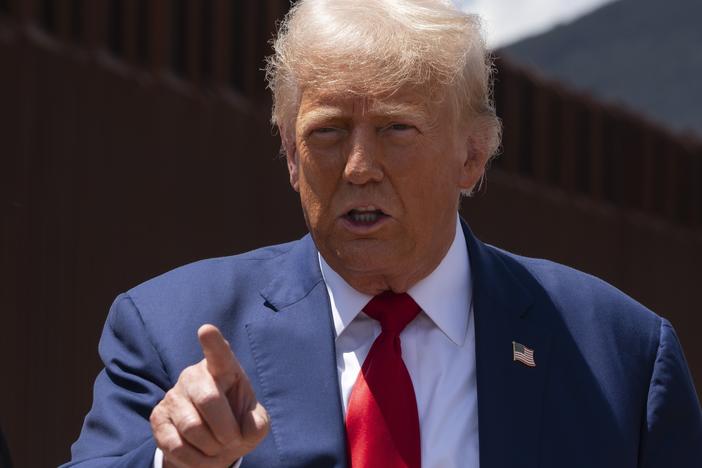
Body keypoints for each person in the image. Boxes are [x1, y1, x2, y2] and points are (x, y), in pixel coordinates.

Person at [64, 0, 702, 467]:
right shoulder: (168, 328)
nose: (359, 168)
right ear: (289, 155)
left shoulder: (620, 355)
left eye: (398, 129)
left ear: (473, 155)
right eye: (327, 133)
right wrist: (179, 465)